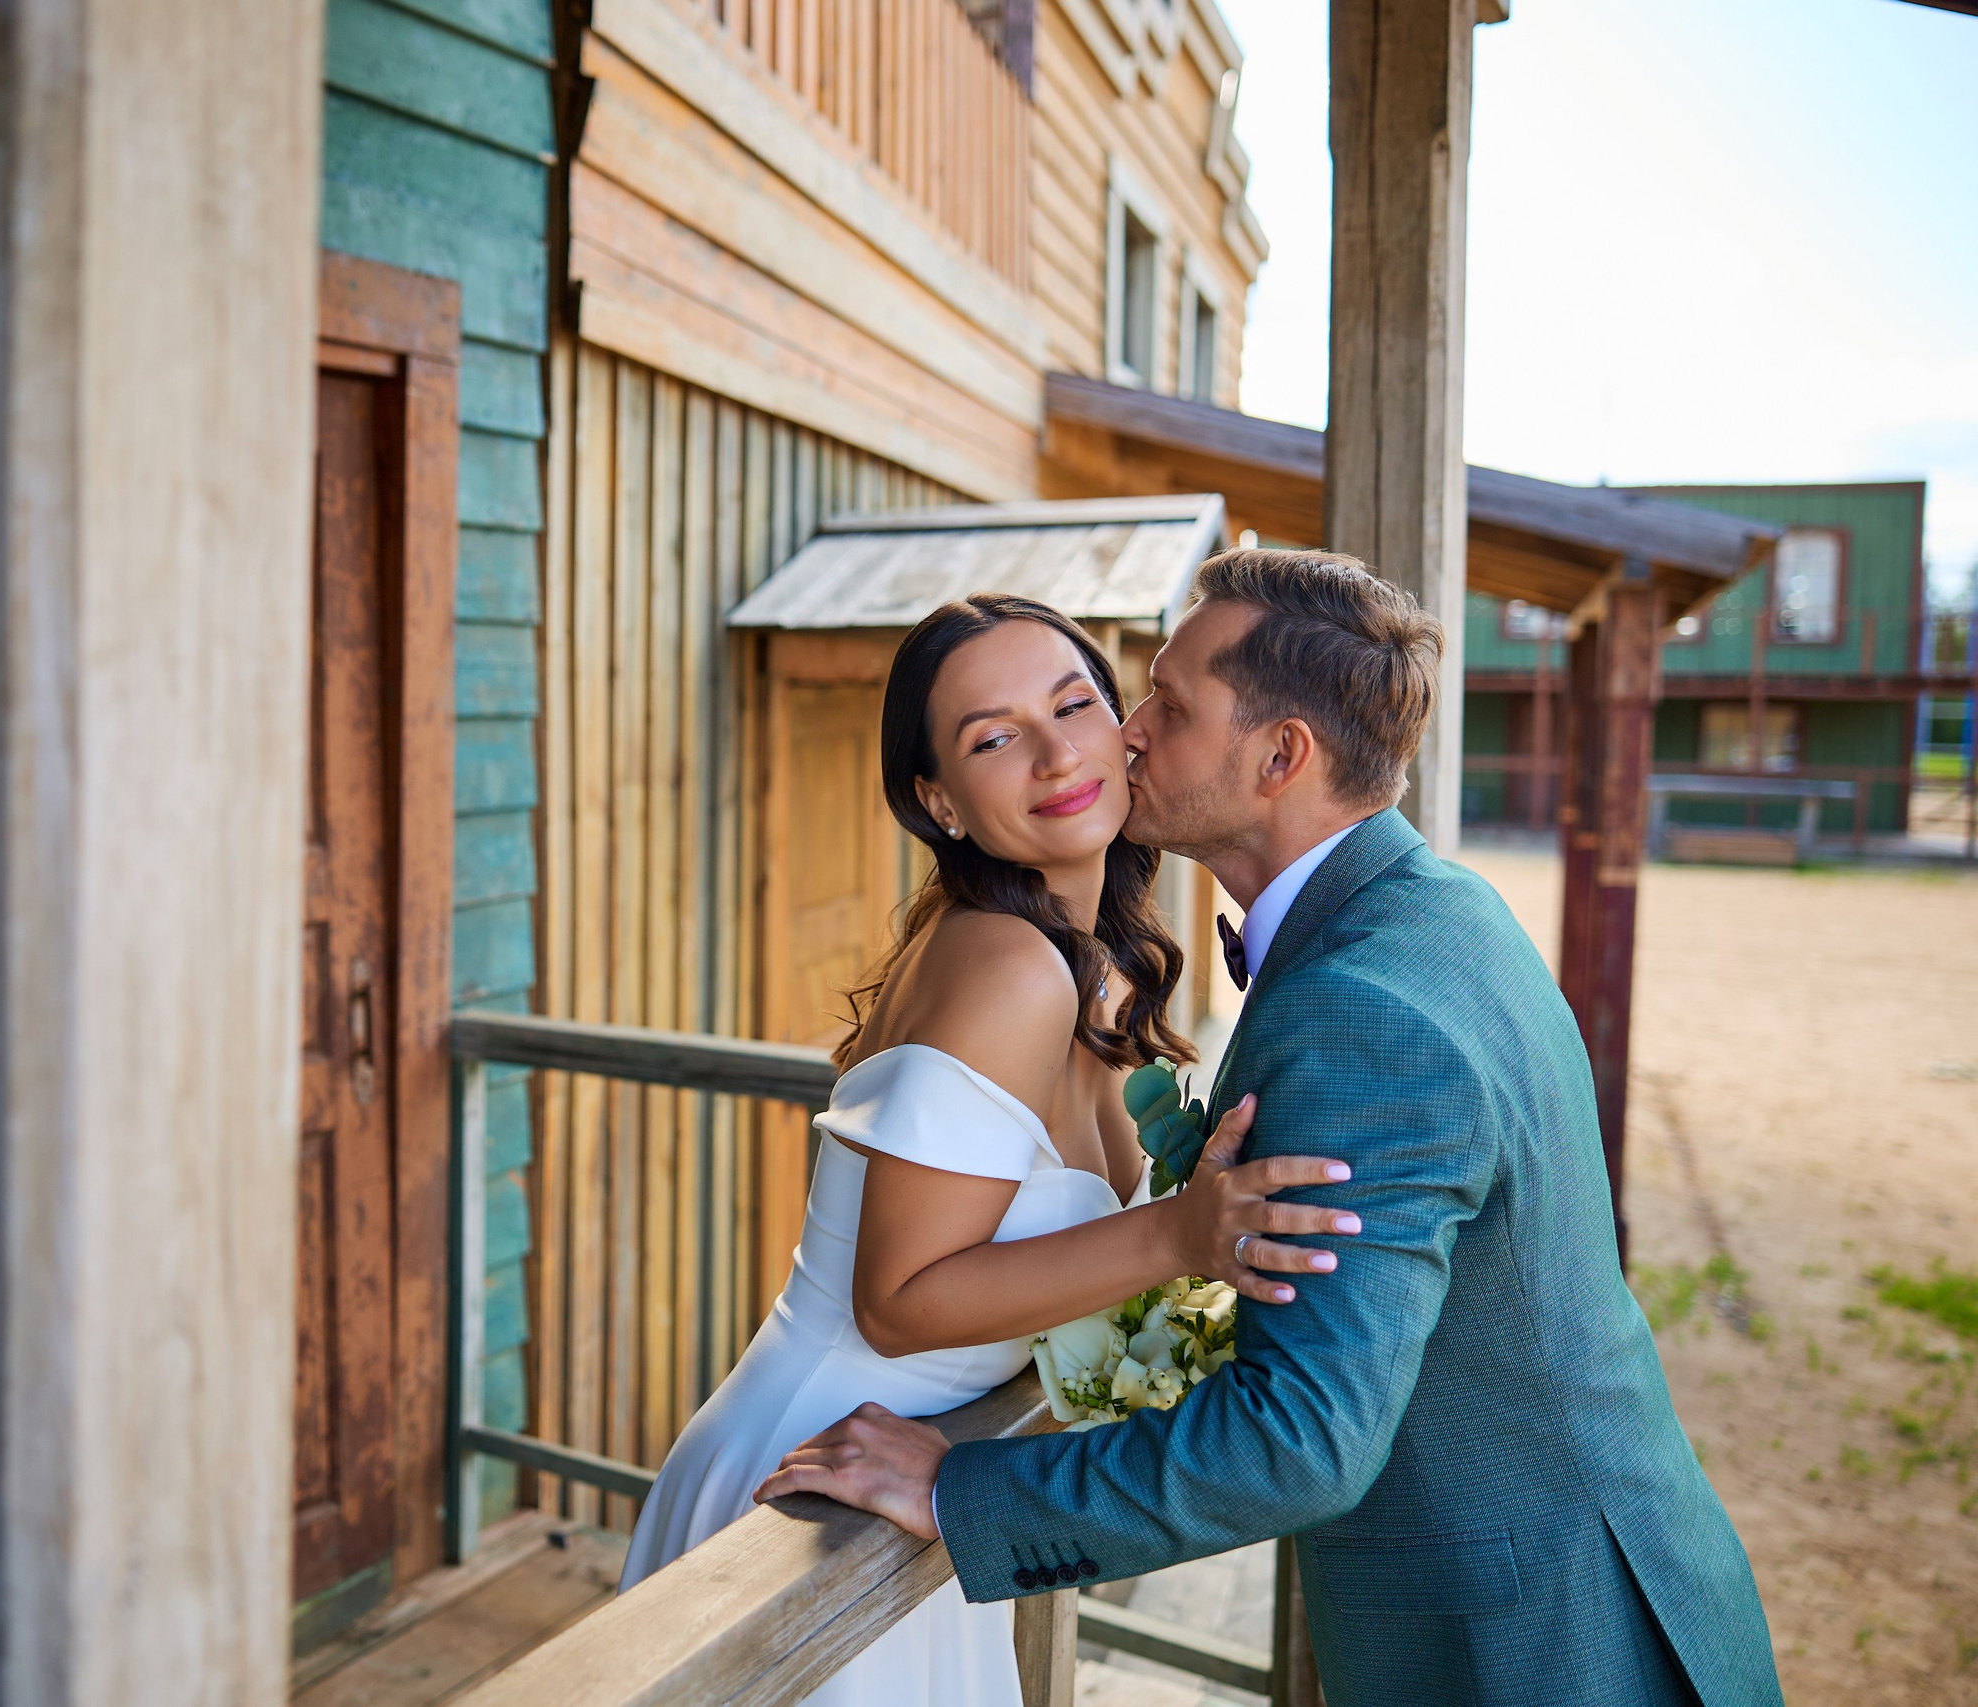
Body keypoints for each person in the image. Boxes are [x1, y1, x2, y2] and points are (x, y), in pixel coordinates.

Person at [756, 551, 1782, 1707]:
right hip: (1594, 1578)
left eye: (1167, 705)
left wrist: (966, 1491)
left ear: (1279, 755)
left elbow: (1297, 1440)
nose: (1126, 733)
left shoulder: (1359, 1011)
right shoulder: (1440, 909)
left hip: (1534, 1646)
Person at [616, 594, 1363, 1707]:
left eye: (1074, 704)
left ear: (1126, 727)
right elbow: (899, 1303)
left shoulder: (1090, 967)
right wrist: (1178, 1235)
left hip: (906, 1470)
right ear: (937, 800)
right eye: (993, 737)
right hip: (814, 1483)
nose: (1057, 752)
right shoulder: (1007, 966)